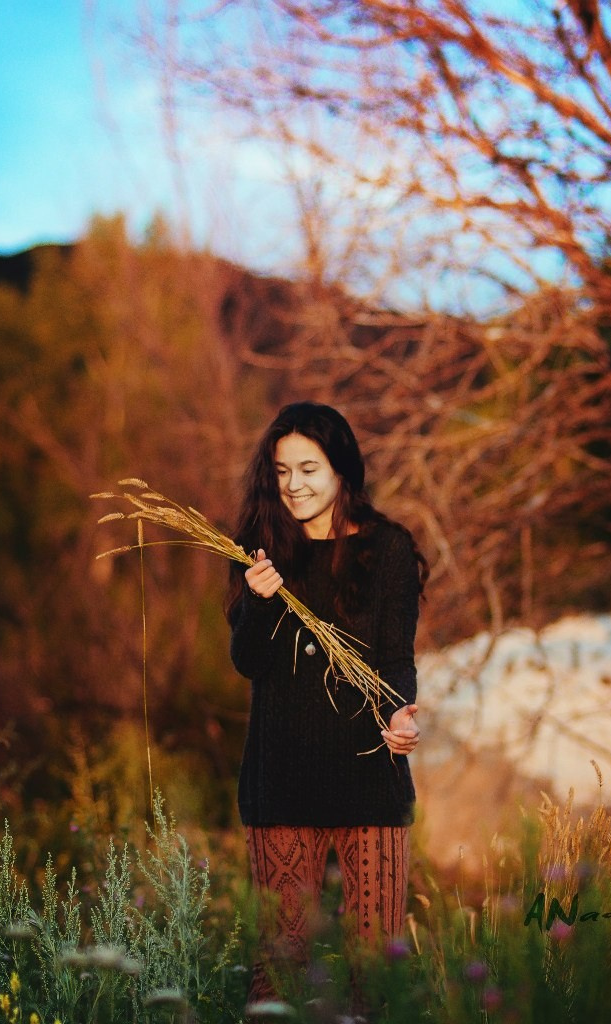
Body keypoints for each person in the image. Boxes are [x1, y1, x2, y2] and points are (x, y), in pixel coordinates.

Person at [225, 401, 427, 1013]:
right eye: (282, 471)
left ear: (342, 468)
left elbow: (395, 659)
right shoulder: (259, 549)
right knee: (281, 969)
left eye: (308, 468)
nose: (294, 485)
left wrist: (399, 716)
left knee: (378, 968)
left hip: (370, 780)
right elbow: (247, 661)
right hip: (282, 783)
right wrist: (262, 602)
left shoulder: (388, 549)